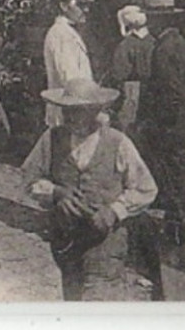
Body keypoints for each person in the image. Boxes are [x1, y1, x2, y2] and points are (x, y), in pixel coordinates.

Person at [22, 78, 158, 301]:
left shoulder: (118, 142)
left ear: (95, 111)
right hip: (66, 242)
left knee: (99, 301)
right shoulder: (52, 138)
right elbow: (30, 177)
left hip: (106, 243)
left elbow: (145, 188)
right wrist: (56, 192)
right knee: (73, 296)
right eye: (66, 111)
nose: (70, 117)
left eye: (77, 111)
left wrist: (114, 211)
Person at [138, 1, 185, 238]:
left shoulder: (165, 48)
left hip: (172, 125)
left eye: (152, 18)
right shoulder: (178, 43)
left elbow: (172, 91)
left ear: (161, 20)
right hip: (178, 122)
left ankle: (179, 228)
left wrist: (162, 123)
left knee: (175, 175)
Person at [43, 0, 94, 127]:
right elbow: (71, 78)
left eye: (87, 5)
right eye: (81, 5)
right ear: (64, 6)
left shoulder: (68, 32)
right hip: (70, 111)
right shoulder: (61, 35)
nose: (86, 10)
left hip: (74, 109)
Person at [106, 5, 154, 134]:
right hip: (152, 91)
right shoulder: (155, 42)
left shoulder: (125, 46)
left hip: (131, 93)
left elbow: (118, 75)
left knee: (129, 129)